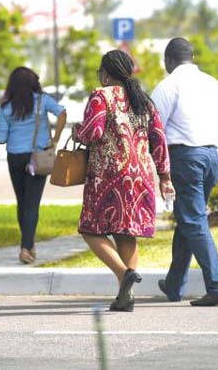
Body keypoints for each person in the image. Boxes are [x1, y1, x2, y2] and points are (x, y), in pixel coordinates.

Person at [72, 50, 172, 312]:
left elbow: (92, 131)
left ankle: (123, 273)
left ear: (106, 74)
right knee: (127, 234)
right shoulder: (144, 101)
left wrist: (77, 131)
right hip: (140, 176)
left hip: (108, 175)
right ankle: (125, 297)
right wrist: (165, 176)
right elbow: (159, 139)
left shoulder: (100, 96)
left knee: (90, 229)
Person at [151, 37, 218, 307]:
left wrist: (162, 173)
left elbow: (155, 131)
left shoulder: (168, 85)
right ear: (191, 57)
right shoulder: (214, 84)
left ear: (168, 61)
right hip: (211, 159)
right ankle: (174, 285)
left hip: (185, 158)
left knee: (192, 220)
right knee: (188, 219)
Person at [0, 67, 67, 264]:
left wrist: (9, 132)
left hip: (15, 158)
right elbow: (62, 113)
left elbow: (1, 138)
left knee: (22, 201)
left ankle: (28, 245)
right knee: (32, 203)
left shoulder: (6, 107)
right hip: (38, 157)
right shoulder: (42, 101)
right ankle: (26, 247)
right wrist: (56, 139)